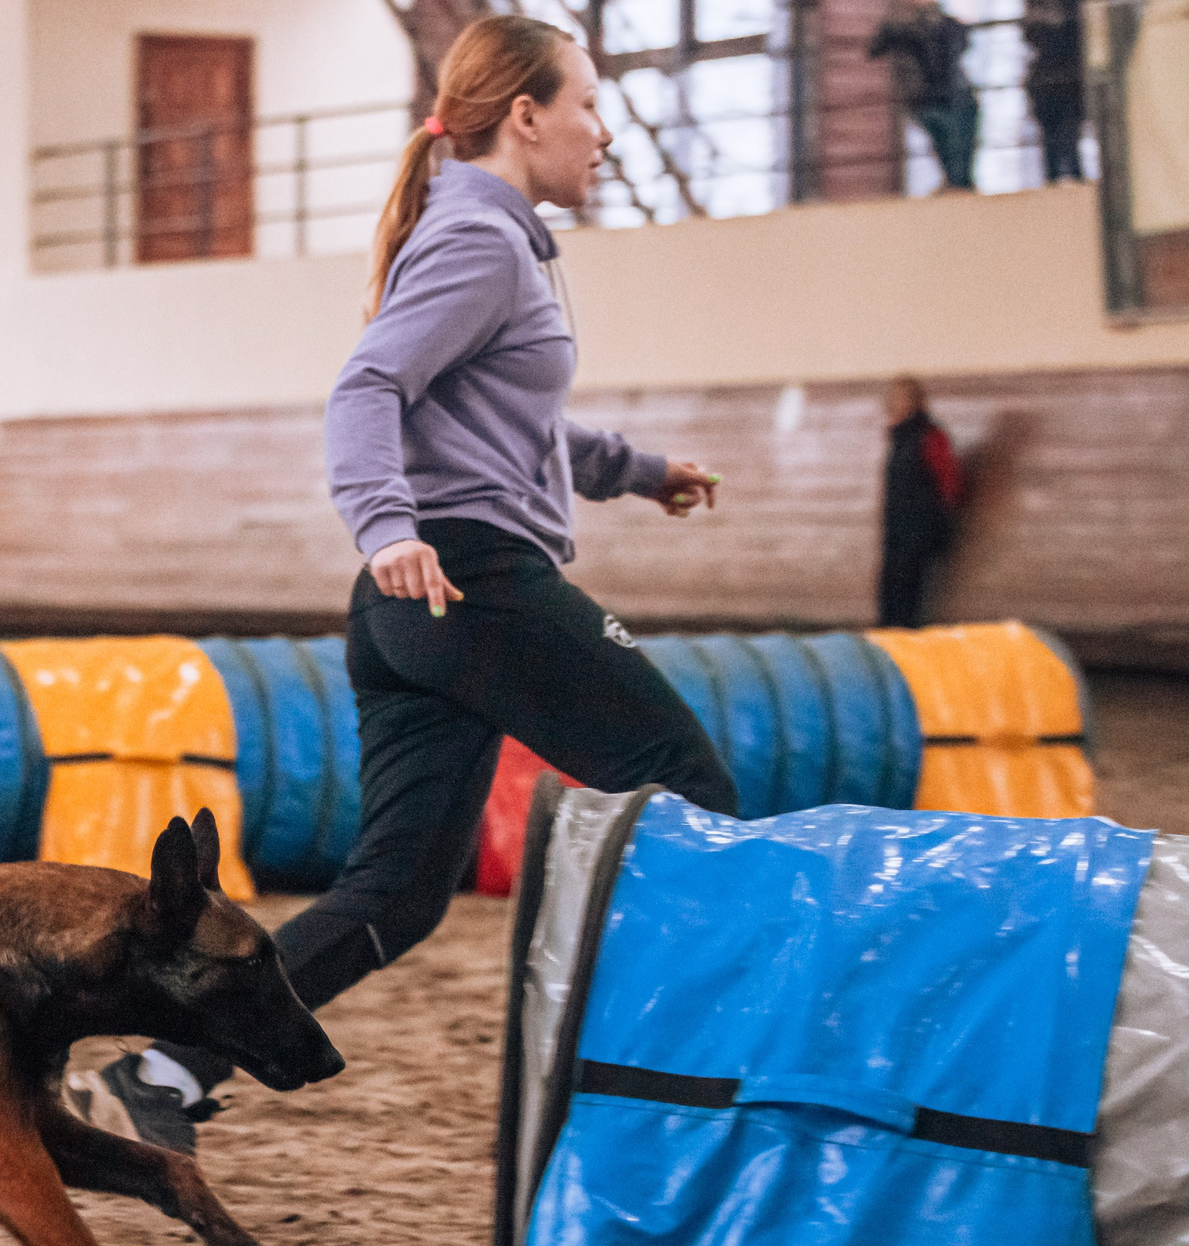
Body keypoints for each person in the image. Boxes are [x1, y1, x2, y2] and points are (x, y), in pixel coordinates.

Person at [85, 15, 739, 1153]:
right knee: (687, 779)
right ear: (525, 116)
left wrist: (636, 472)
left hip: (416, 610)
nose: (604, 132)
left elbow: (506, 421)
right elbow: (367, 388)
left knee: (395, 895)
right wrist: (387, 524)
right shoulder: (479, 240)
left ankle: (159, 1074)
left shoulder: (488, 237)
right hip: (465, 580)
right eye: (588, 104)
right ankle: (702, 1059)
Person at [876, 374, 964, 628]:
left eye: (900, 399)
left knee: (907, 597)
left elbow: (949, 483)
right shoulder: (898, 437)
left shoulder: (930, 436)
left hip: (919, 531)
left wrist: (935, 523)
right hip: (897, 530)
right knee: (890, 592)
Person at [868, 0, 979, 192]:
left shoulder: (942, 25)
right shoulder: (902, 28)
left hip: (948, 99)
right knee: (954, 162)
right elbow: (876, 47)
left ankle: (957, 192)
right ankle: (957, 192)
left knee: (956, 164)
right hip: (933, 101)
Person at [1022, 0, 1087, 184]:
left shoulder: (1071, 8)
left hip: (1068, 81)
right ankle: (1055, 178)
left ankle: (1070, 176)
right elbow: (1031, 36)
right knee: (1052, 136)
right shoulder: (1036, 6)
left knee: (1069, 134)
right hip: (1049, 82)